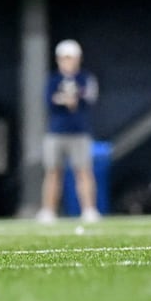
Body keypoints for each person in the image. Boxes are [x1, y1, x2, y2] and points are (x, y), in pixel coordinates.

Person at [36, 40, 101, 223]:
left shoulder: (85, 78)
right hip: (56, 132)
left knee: (84, 171)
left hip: (79, 132)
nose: (68, 62)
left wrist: (70, 101)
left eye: (71, 58)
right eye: (64, 58)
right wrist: (66, 101)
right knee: (52, 172)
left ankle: (89, 209)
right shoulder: (53, 79)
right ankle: (48, 210)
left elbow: (89, 99)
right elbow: (49, 102)